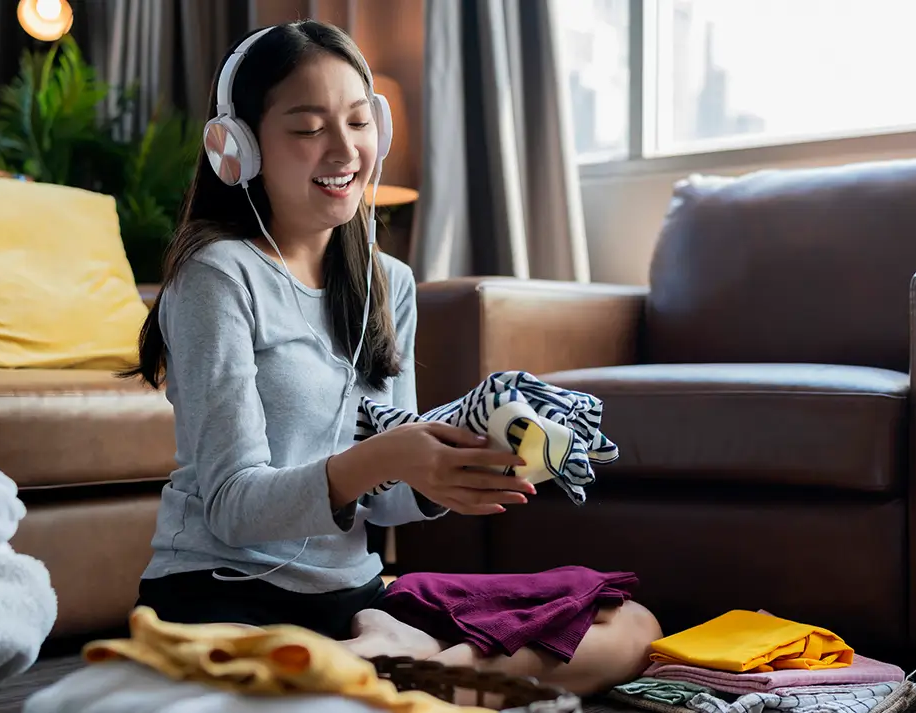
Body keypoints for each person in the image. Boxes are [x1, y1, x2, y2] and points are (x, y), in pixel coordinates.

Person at [120, 20, 661, 696]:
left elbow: (385, 503)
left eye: (356, 121)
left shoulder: (389, 283)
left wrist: (451, 467)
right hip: (222, 594)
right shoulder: (218, 277)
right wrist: (390, 455)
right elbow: (231, 506)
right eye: (308, 126)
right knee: (268, 692)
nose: (344, 149)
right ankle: (395, 674)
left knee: (629, 622)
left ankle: (413, 669)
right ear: (239, 148)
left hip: (352, 599)